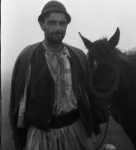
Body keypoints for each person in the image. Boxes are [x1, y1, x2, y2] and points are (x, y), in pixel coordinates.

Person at [9, 1, 101, 150]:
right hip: (41, 136)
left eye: (62, 23)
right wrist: (20, 138)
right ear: (42, 24)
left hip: (76, 131)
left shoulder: (78, 56)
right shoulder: (28, 56)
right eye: (52, 23)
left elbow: (86, 95)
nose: (58, 28)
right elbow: (20, 104)